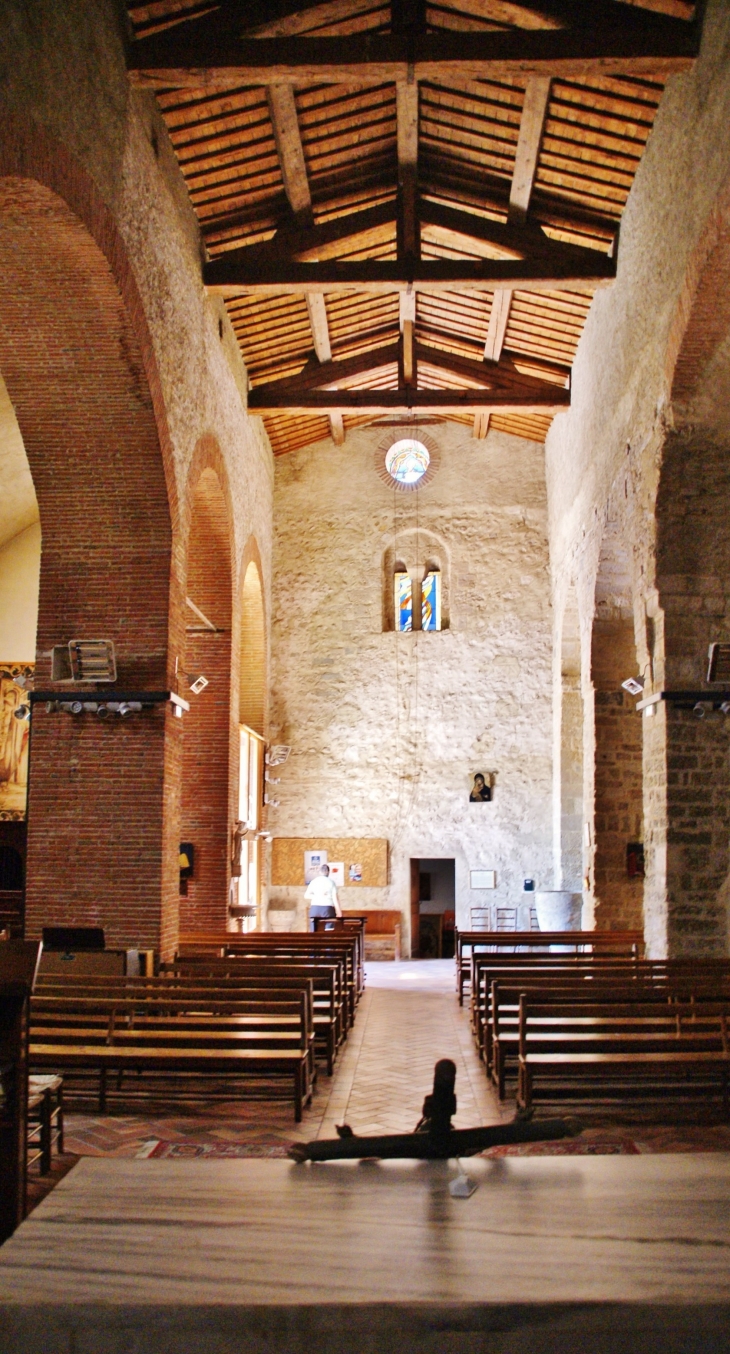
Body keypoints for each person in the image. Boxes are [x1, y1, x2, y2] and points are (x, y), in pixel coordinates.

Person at [305, 863, 342, 931]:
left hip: (315, 908)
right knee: (329, 931)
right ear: (328, 872)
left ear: (320, 872)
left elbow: (306, 895)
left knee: (314, 931)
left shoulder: (314, 881)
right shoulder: (331, 882)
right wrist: (339, 912)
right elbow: (335, 899)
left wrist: (317, 896)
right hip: (327, 909)